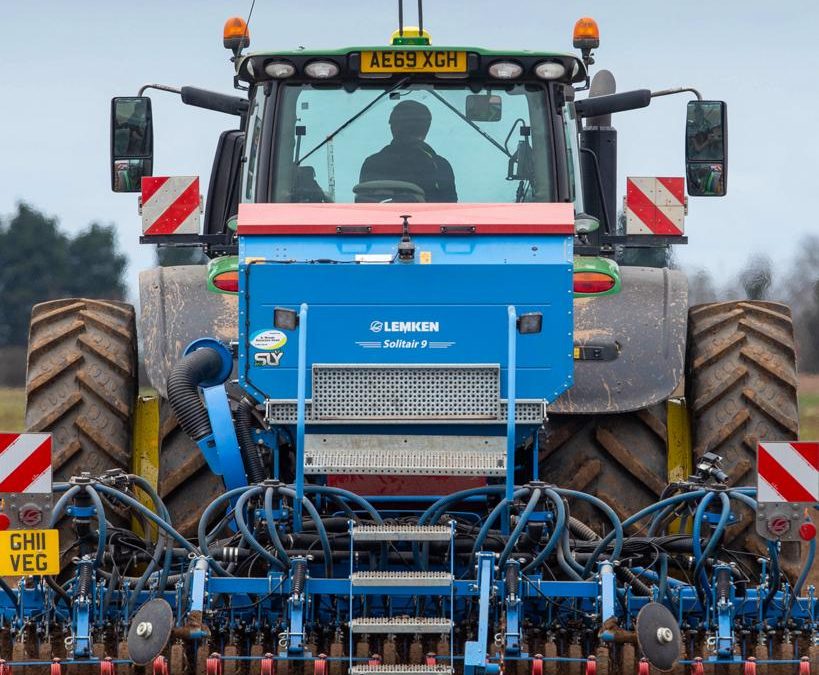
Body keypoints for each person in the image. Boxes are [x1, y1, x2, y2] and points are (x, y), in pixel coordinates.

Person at [359, 100, 457, 202]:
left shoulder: (372, 164)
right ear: (426, 130)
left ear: (393, 127)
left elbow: (364, 207)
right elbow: (449, 212)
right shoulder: (440, 166)